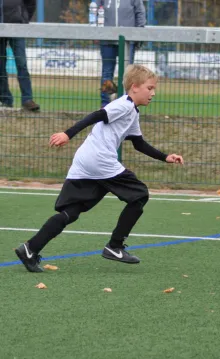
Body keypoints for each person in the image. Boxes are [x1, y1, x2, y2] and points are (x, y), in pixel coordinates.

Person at [15, 65, 184, 272]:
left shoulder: (132, 112)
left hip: (86, 161)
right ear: (134, 87)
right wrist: (68, 134)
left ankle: (29, 249)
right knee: (139, 194)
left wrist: (165, 157)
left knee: (72, 212)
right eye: (150, 88)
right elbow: (96, 115)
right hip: (100, 161)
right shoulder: (124, 105)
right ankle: (115, 246)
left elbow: (139, 143)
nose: (153, 93)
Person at [99, 0, 146, 107]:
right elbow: (95, 10)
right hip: (106, 38)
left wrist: (139, 33)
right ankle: (105, 106)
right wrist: (96, 31)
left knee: (127, 74)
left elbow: (140, 12)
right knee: (106, 72)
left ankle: (125, 104)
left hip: (128, 40)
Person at [0, 0, 40, 111]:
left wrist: (24, 20)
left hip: (17, 28)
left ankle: (27, 100)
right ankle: (5, 100)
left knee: (21, 64)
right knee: (0, 67)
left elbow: (31, 3)